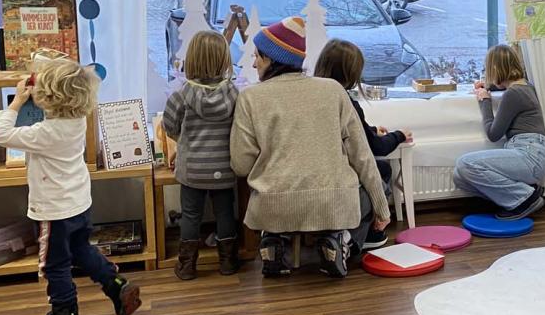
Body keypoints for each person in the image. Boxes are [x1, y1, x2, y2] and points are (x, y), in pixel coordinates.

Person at [229, 17, 392, 278]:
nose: (252, 62)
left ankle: (273, 239)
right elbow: (362, 156)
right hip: (331, 203)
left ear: (272, 59)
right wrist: (382, 209)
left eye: (257, 56)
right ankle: (340, 240)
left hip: (272, 204)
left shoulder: (250, 97)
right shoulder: (334, 91)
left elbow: (240, 164)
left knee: (277, 203)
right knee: (362, 193)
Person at [0, 59, 141, 315]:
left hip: (52, 211)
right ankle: (115, 283)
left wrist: (16, 102)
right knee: (82, 249)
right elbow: (65, 89)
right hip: (78, 204)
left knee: (54, 264)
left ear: (48, 97)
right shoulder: (77, 121)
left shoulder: (45, 133)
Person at [313, 39, 412, 251]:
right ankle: (357, 238)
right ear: (351, 73)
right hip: (338, 178)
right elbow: (375, 148)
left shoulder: (312, 98)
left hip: (311, 175)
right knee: (382, 169)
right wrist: (399, 135)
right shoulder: (347, 103)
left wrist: (371, 130)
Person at [162, 31, 240, 279]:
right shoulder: (234, 94)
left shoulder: (180, 95)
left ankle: (187, 266)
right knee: (226, 214)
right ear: (224, 61)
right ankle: (228, 262)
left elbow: (169, 127)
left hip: (193, 169)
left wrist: (182, 144)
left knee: (191, 215)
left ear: (191, 60)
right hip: (225, 167)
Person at [453, 44, 545, 220]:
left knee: (465, 164)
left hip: (530, 155)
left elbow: (493, 133)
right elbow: (505, 87)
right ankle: (524, 194)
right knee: (459, 176)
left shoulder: (513, 93)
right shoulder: (524, 85)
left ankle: (525, 199)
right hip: (531, 152)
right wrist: (488, 87)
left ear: (495, 68)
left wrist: (485, 101)